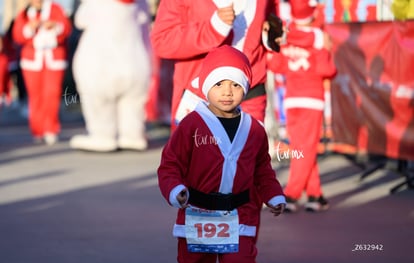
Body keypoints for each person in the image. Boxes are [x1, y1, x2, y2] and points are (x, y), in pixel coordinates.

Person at [157, 45, 286, 263]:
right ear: (206, 87)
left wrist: (273, 195)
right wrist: (175, 189)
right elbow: (170, 164)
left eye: (235, 85)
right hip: (198, 212)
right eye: (219, 84)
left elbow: (263, 170)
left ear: (245, 88)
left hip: (239, 215)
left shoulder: (254, 130)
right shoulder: (191, 125)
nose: (227, 92)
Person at [150, 0, 318, 130]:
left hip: (250, 94)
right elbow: (162, 41)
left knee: (247, 170)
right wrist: (212, 28)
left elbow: (270, 16)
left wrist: (272, 32)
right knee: (197, 171)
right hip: (200, 99)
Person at [267, 0, 337, 212]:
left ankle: (305, 193)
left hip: (292, 98)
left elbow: (276, 65)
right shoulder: (318, 37)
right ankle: (301, 194)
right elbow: (328, 70)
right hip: (311, 99)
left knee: (302, 149)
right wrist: (326, 49)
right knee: (304, 149)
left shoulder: (288, 37)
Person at [69, 0, 152, 152]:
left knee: (99, 101)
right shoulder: (140, 4)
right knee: (132, 103)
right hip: (135, 63)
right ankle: (132, 135)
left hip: (101, 64)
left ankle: (103, 135)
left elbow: (81, 20)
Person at [12, 0, 72, 145]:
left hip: (53, 59)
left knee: (52, 93)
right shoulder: (24, 14)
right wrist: (29, 28)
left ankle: (51, 128)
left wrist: (55, 26)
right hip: (32, 61)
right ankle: (38, 129)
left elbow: (67, 28)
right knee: (35, 96)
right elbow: (17, 35)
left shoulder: (56, 9)